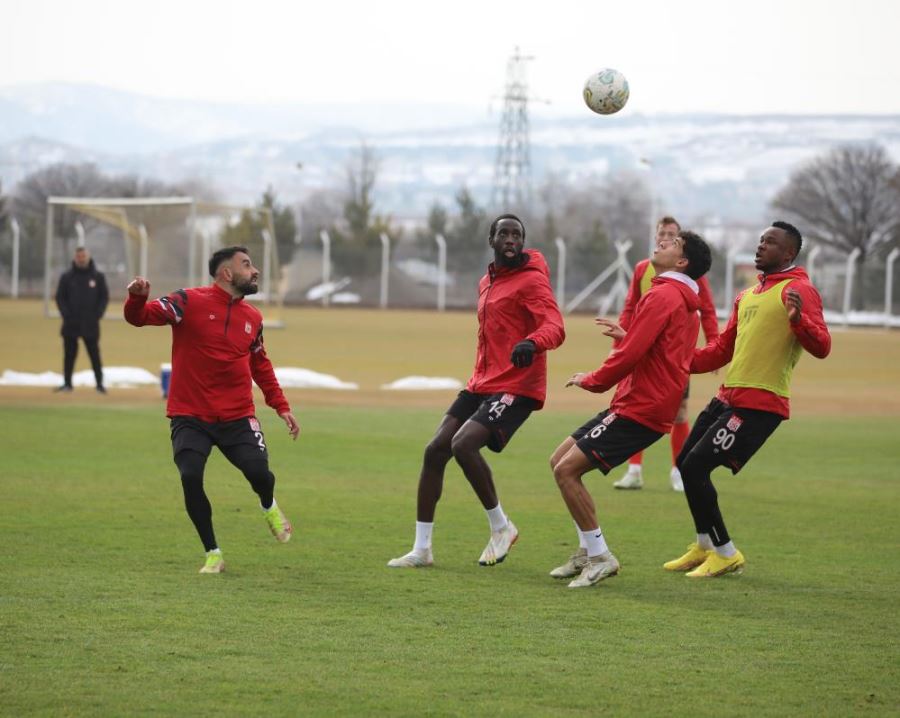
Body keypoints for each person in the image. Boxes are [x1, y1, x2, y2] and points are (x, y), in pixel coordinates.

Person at [388, 214, 565, 569]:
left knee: (463, 444)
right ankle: (422, 549)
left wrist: (532, 341)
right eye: (504, 233)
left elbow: (555, 326)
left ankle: (502, 527)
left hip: (517, 385)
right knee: (435, 451)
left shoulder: (532, 280)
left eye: (517, 234)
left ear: (523, 241)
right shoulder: (486, 281)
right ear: (491, 240)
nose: (511, 239)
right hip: (482, 383)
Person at [664, 221, 831, 578]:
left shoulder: (799, 290)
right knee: (685, 461)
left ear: (789, 253)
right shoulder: (747, 295)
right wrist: (673, 359)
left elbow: (823, 346)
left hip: (760, 404)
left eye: (770, 242)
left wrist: (800, 322)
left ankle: (726, 553)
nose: (760, 246)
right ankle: (704, 545)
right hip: (727, 398)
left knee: (696, 467)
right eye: (760, 240)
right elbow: (722, 349)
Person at [548, 230, 712, 588]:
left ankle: (600, 557)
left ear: (682, 262)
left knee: (566, 471)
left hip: (642, 406)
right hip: (641, 402)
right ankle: (587, 550)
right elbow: (661, 348)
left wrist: (593, 380)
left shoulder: (664, 294)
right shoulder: (680, 297)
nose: (662, 242)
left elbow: (631, 354)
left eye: (673, 243)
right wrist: (630, 335)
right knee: (558, 461)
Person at [124, 246, 300, 574]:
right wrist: (137, 298)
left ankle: (268, 505)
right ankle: (213, 554)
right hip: (190, 416)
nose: (255, 271)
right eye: (247, 265)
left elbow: (260, 365)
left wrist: (281, 406)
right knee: (190, 476)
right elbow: (140, 317)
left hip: (237, 416)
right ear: (226, 273)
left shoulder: (253, 318)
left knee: (260, 475)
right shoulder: (186, 301)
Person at [613, 216, 720, 492]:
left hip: (672, 354)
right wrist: (622, 343)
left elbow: (707, 309)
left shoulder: (690, 274)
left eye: (672, 235)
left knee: (680, 412)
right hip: (641, 350)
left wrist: (713, 345)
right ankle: (634, 470)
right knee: (632, 406)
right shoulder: (642, 269)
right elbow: (631, 306)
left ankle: (677, 471)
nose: (665, 238)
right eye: (662, 233)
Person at [54, 246, 109, 393]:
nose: (81, 259)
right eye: (79, 257)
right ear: (75, 258)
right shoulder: (67, 277)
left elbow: (104, 297)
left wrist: (98, 314)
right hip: (71, 323)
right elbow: (60, 297)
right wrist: (66, 314)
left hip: (90, 323)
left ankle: (99, 384)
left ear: (88, 257)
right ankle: (67, 383)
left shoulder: (97, 277)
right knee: (69, 355)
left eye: (83, 256)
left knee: (94, 354)